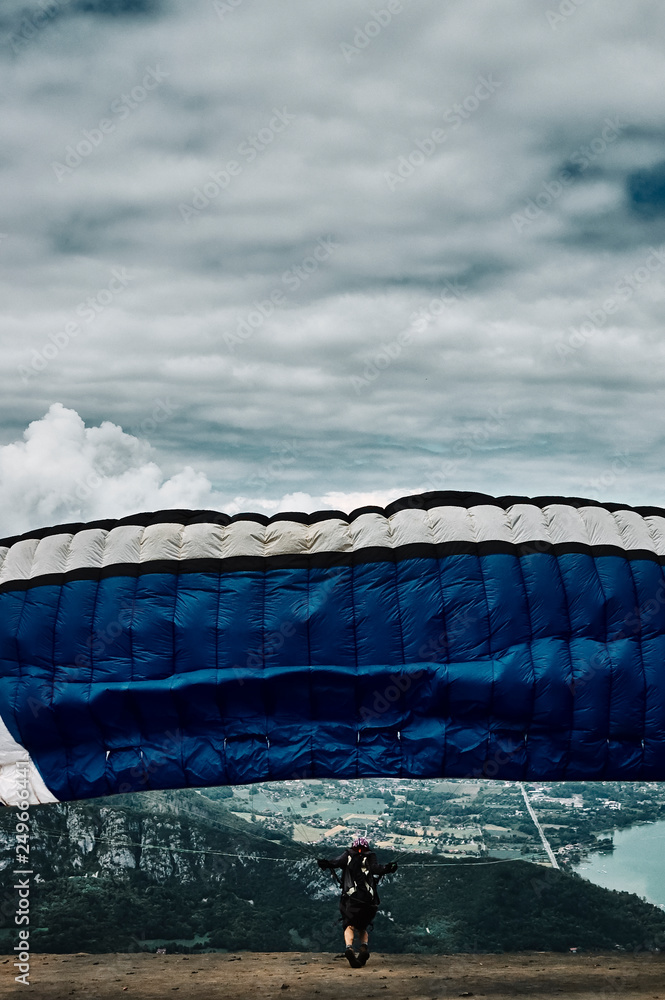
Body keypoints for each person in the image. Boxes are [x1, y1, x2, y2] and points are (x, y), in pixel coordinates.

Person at [317, 836, 398, 968]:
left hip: (351, 899)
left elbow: (335, 863)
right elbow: (377, 869)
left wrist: (324, 863)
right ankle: (364, 947)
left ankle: (349, 948)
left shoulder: (347, 855)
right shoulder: (370, 856)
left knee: (349, 925)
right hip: (368, 901)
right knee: (363, 926)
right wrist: (390, 867)